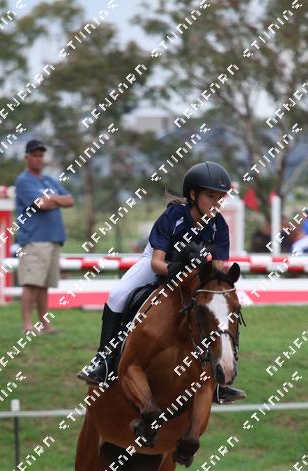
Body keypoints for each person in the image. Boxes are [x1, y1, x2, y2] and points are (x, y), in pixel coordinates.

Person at [77, 160, 245, 403]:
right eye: (211, 196)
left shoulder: (219, 226)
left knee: (221, 309)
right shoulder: (174, 216)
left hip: (194, 272)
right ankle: (103, 360)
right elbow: (157, 263)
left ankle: (218, 379)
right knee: (117, 294)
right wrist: (178, 270)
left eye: (220, 198)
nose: (216, 203)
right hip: (160, 262)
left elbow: (217, 271)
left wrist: (216, 291)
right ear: (193, 195)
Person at [15, 139, 74, 332]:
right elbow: (41, 204)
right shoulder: (24, 181)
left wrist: (51, 199)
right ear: (26, 157)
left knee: (44, 285)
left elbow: (70, 200)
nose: (39, 159)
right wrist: (55, 200)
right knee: (31, 283)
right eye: (35, 155)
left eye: (41, 156)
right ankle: (26, 324)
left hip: (54, 238)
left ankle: (44, 324)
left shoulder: (49, 180)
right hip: (34, 239)